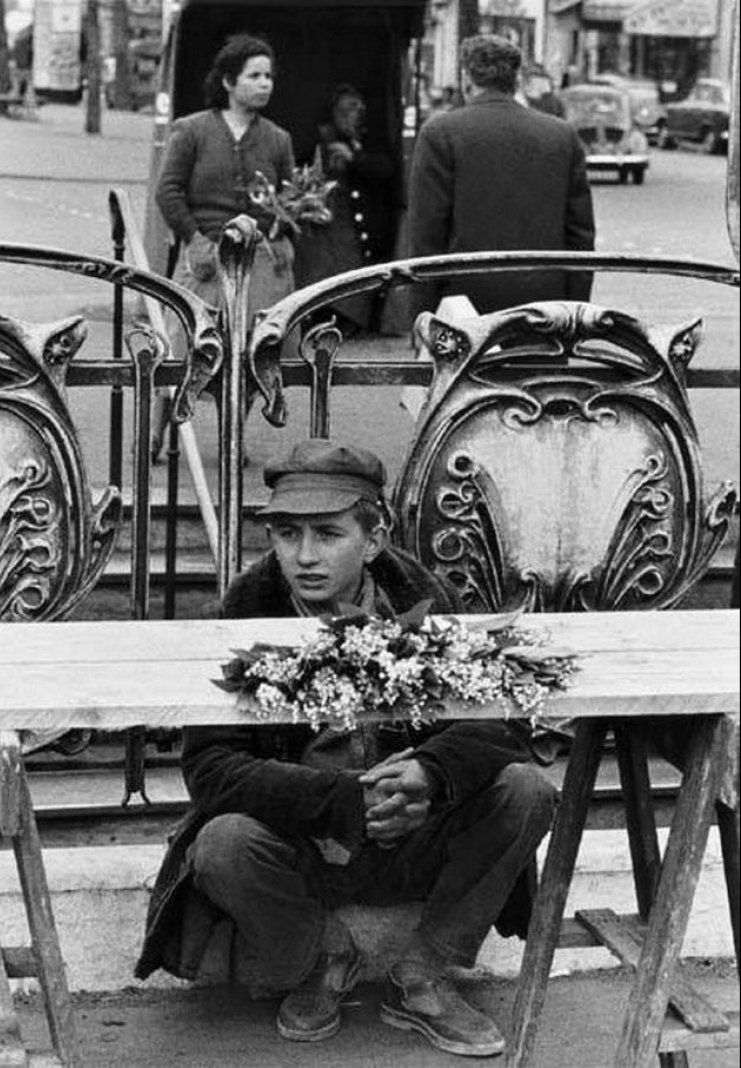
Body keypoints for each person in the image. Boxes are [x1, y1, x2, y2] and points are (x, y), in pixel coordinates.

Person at [135, 438, 558, 1058]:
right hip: (306, 849)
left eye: (327, 535)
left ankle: (424, 971)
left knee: (527, 790)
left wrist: (429, 771)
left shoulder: (426, 600)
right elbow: (211, 768)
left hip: (414, 834)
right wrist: (338, 802)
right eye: (286, 534)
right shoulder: (242, 614)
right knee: (223, 843)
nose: (303, 557)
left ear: (375, 536)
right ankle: (322, 959)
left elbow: (504, 724)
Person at [151, 34, 296, 460]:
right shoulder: (192, 130)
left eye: (269, 76)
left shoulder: (277, 139)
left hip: (258, 264)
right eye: (254, 76)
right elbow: (169, 191)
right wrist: (194, 239)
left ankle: (234, 438)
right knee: (186, 345)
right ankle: (161, 428)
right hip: (206, 260)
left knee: (252, 351)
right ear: (229, 82)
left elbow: (288, 199)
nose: (265, 84)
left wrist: (284, 233)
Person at [408, 34, 595, 316]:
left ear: (466, 79)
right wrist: (575, 310)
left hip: (463, 307)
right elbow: (580, 236)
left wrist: (422, 315)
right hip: (545, 307)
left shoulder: (441, 133)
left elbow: (428, 233)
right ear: (516, 80)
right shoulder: (560, 136)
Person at [295, 84, 399, 334]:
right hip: (328, 230)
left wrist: (355, 159)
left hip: (363, 232)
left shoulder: (371, 141)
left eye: (356, 108)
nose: (352, 115)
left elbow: (387, 170)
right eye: (345, 110)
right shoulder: (318, 142)